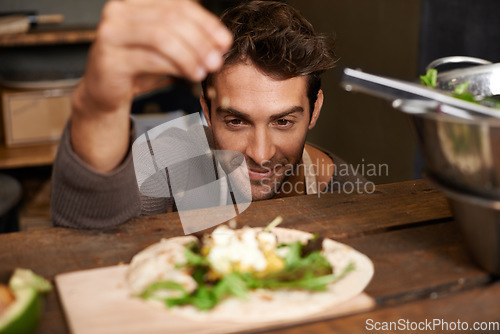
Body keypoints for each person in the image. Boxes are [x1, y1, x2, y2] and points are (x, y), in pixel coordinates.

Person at [51, 0, 368, 229]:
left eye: (283, 122)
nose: (259, 154)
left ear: (314, 111)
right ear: (206, 109)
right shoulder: (169, 163)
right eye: (236, 121)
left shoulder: (344, 188)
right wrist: (96, 108)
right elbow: (90, 228)